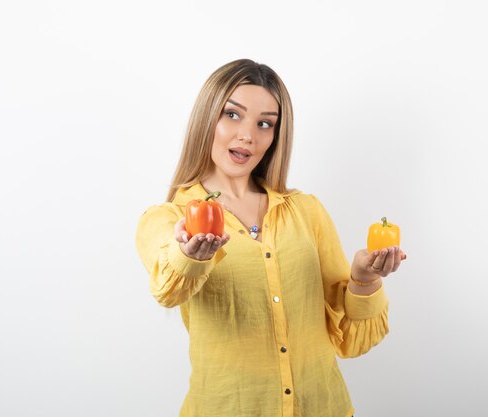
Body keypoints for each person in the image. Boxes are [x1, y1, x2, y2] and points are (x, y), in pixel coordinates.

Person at [135, 58, 406, 417]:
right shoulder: (166, 219)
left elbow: (351, 339)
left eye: (265, 124)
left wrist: (364, 279)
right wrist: (191, 255)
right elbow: (169, 288)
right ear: (207, 119)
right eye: (233, 115)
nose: (248, 135)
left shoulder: (306, 211)